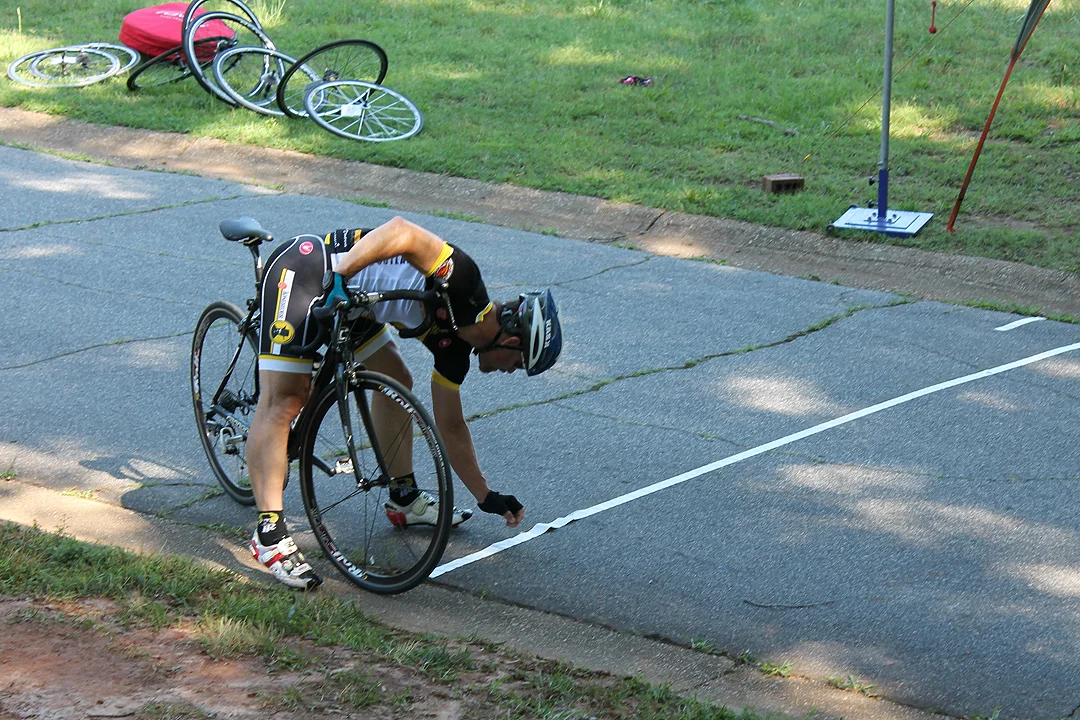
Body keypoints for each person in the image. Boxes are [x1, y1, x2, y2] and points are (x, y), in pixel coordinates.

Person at [246, 216, 563, 590]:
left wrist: (486, 496)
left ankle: (403, 496)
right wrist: (339, 276)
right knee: (285, 401)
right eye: (519, 365)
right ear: (511, 342)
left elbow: (450, 426)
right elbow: (401, 231)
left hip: (358, 306)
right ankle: (268, 535)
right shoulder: (463, 281)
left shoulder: (457, 352)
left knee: (397, 379)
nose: (510, 372)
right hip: (312, 271)